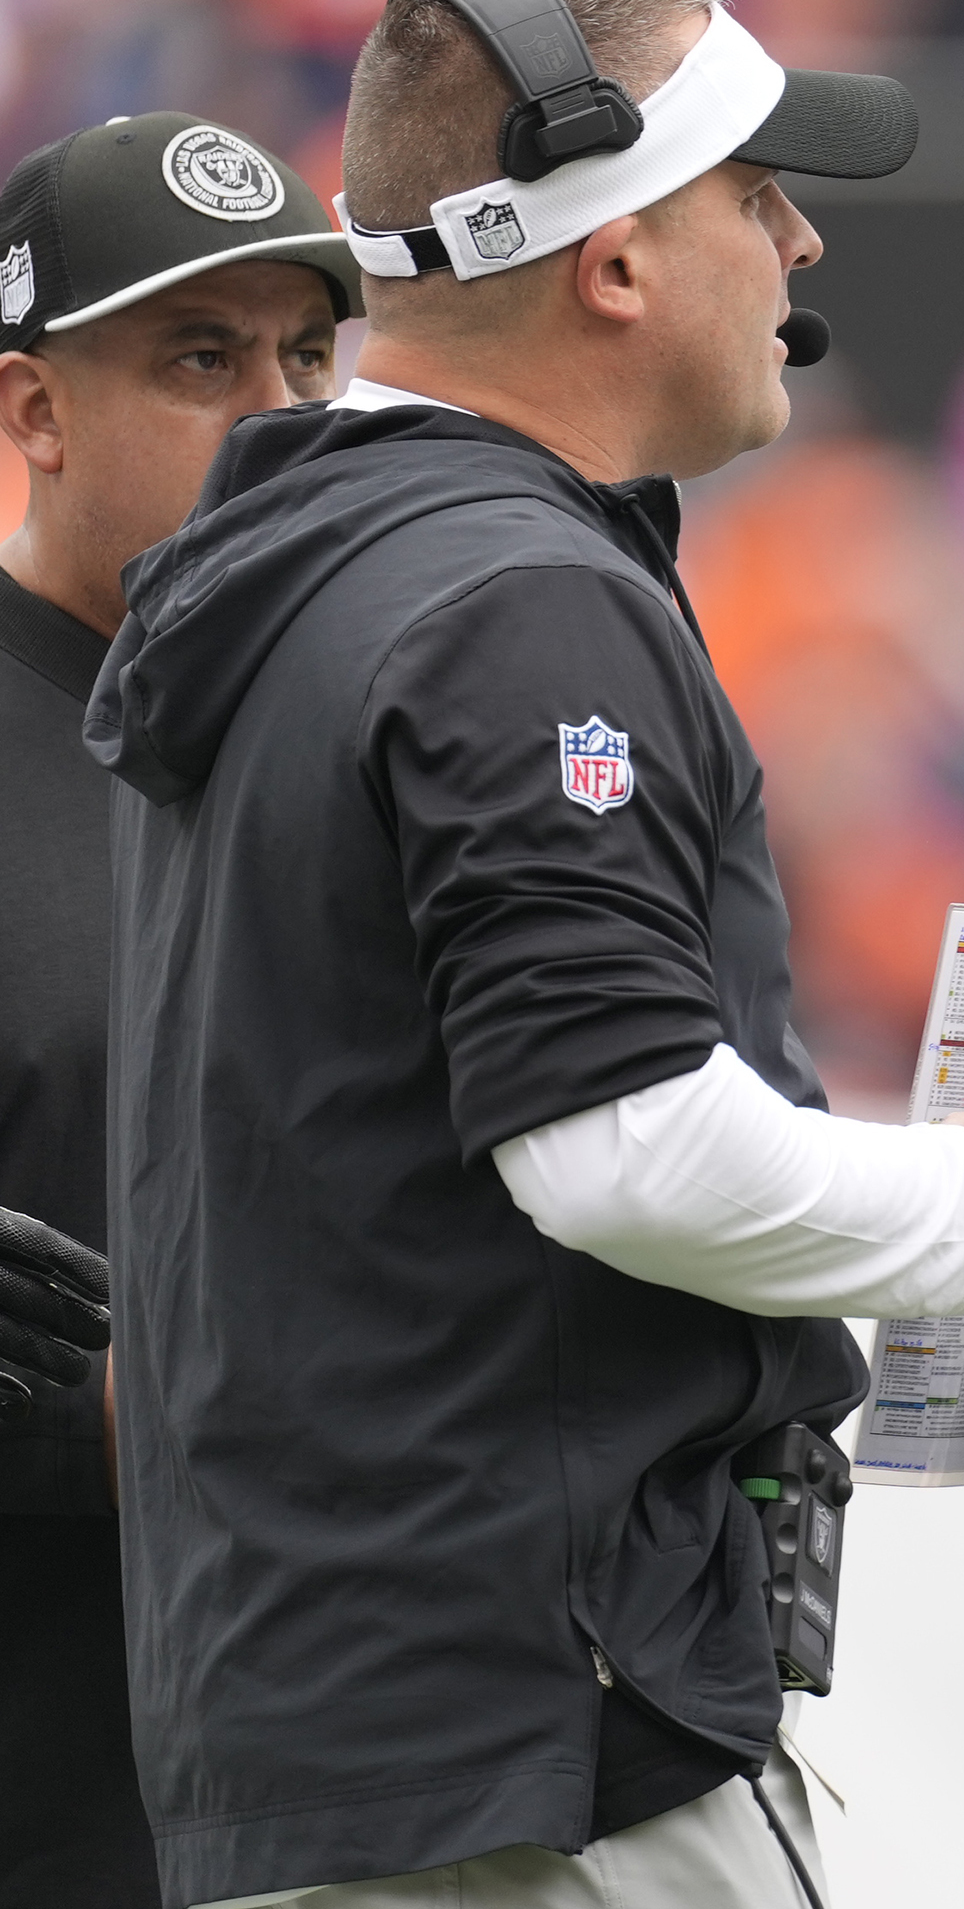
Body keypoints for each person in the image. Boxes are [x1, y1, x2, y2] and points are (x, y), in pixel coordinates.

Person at [90, 0, 964, 1909]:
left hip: (324, 1736)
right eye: (756, 194)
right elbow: (621, 1153)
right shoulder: (511, 598)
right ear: (616, 253)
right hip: (522, 1750)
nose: (800, 251)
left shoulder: (302, 568)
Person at [0, 111, 354, 1906]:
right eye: (201, 357)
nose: (280, 410)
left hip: (371, 1811)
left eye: (308, 352)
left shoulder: (402, 737)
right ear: (34, 413)